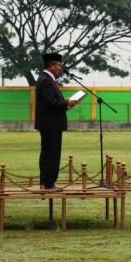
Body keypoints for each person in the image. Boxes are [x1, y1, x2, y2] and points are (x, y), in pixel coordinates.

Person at [35, 52, 79, 190]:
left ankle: (47, 182)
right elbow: (50, 102)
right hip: (50, 124)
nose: (60, 68)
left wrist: (64, 103)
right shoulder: (46, 80)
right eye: (58, 65)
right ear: (51, 65)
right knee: (51, 154)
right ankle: (48, 183)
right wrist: (66, 102)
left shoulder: (48, 79)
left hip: (51, 123)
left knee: (51, 153)